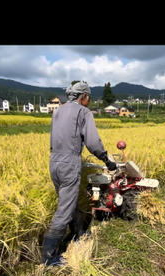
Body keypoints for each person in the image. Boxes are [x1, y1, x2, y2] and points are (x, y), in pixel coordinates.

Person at [41, 81, 117, 266]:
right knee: (64, 210)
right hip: (69, 162)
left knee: (69, 201)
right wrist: (107, 160)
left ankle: (78, 234)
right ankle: (49, 258)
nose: (89, 102)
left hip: (54, 161)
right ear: (83, 96)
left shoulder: (58, 111)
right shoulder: (84, 112)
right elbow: (92, 142)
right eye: (89, 98)